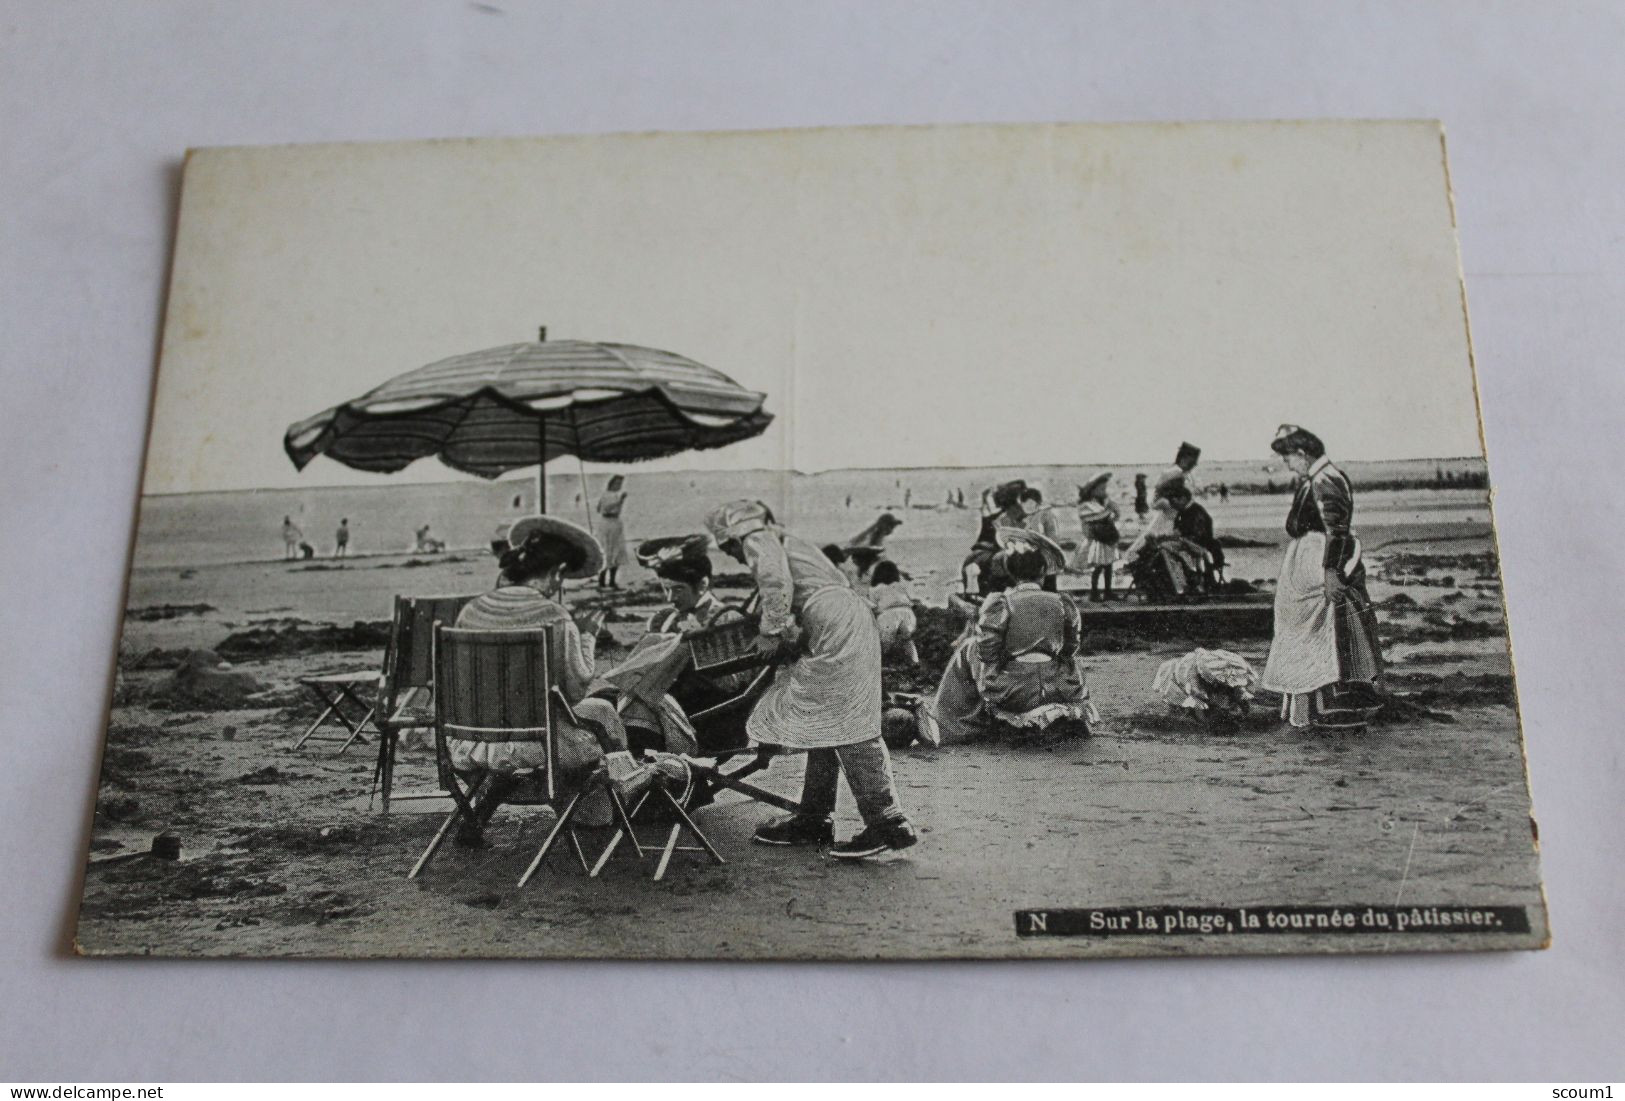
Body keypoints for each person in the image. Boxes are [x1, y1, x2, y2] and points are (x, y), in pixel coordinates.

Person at [706, 500, 918, 860]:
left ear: (732, 536)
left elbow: (775, 581)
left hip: (837, 624)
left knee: (848, 723)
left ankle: (887, 822)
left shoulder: (756, 537)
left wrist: (772, 631)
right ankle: (814, 816)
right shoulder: (785, 541)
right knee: (827, 721)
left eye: (729, 548)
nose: (737, 557)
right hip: (839, 620)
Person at [447, 516, 625, 845]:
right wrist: (587, 637)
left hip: (468, 741)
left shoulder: (471, 610)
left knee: (554, 722)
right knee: (601, 712)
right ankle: (596, 819)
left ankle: (486, 804)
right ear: (556, 573)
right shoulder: (554, 617)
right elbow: (573, 690)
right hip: (533, 744)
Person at [1261, 425, 1384, 733]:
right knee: (1302, 633)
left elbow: (1337, 530)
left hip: (1320, 563)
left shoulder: (1327, 479)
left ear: (1302, 454)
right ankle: (1302, 708)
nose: (1287, 463)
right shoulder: (1314, 479)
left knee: (1318, 636)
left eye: (1288, 456)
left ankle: (1316, 709)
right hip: (1308, 561)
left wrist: (1331, 572)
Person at [924, 533, 1094, 744]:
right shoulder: (1062, 602)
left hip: (1014, 689)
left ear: (1010, 572)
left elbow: (987, 651)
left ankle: (956, 724)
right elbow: (1071, 647)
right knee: (1067, 661)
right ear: (1043, 572)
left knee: (970, 647)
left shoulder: (1001, 603)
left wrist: (1009, 653)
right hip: (1060, 684)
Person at [1073, 473, 1121, 602]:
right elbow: (1097, 516)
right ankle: (1094, 592)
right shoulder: (1086, 505)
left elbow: (1112, 517)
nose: (1104, 492)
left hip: (1106, 539)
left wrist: (1114, 511)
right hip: (1096, 540)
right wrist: (1110, 510)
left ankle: (1108, 591)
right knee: (1098, 566)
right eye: (1101, 489)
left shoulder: (1102, 503)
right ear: (1092, 491)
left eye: (1104, 489)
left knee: (1109, 565)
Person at [1170, 489, 1226, 590]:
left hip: (1199, 543)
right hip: (1197, 543)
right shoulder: (1184, 511)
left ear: (1183, 499)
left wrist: (1181, 534)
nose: (1173, 506)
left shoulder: (1195, 510)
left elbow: (1197, 530)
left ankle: (1194, 583)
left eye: (1174, 502)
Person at [866, 560, 918, 667]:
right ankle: (915, 662)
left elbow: (873, 607)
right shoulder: (900, 585)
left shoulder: (874, 589)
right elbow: (910, 596)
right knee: (907, 640)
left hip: (888, 615)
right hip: (907, 613)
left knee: (884, 644)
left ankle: (880, 666)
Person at [1019, 487, 1062, 591]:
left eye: (1029, 503)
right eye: (1023, 503)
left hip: (1044, 554)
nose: (1025, 506)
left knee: (1045, 583)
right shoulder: (1046, 513)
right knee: (1050, 583)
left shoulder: (1040, 515)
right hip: (1051, 553)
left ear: (1037, 503)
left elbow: (1037, 535)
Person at [595, 474, 629, 589]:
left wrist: (620, 501)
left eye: (620, 484)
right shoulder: (606, 495)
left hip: (615, 522)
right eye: (618, 483)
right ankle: (601, 580)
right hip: (607, 522)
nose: (619, 486)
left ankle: (612, 581)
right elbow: (602, 509)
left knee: (617, 551)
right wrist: (620, 501)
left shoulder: (615, 495)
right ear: (612, 484)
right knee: (606, 550)